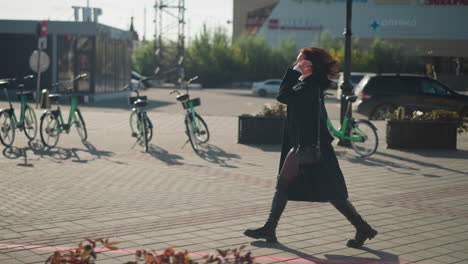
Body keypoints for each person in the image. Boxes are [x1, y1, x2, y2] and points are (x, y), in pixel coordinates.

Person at [243, 47, 377, 249]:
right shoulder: (308, 84)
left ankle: (270, 228)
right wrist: (296, 75)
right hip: (308, 145)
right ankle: (363, 228)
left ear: (309, 65)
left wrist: (293, 73)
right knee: (330, 192)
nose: (295, 64)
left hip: (309, 146)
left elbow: (283, 97)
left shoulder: (309, 86)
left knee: (296, 186)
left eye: (299, 61)